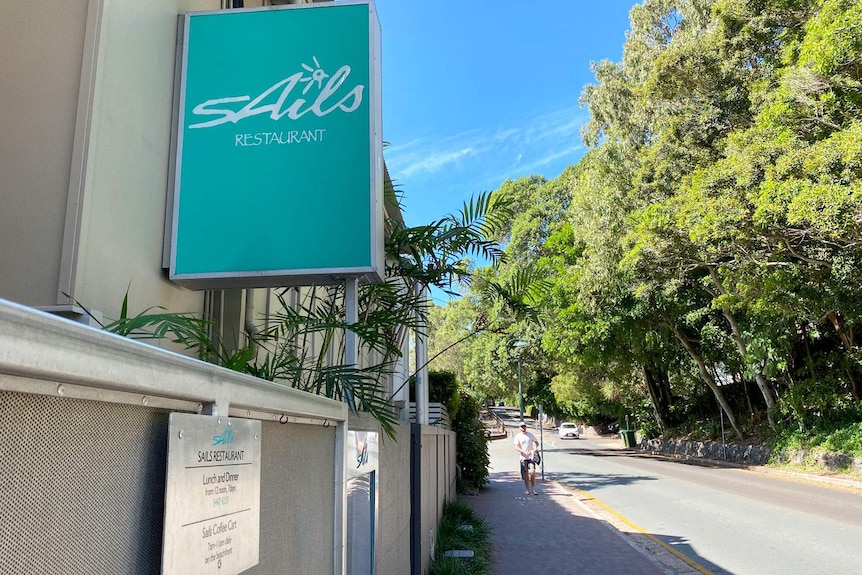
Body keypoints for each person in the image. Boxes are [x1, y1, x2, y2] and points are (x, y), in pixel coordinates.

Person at [514, 421, 540, 495]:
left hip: (531, 456)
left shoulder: (530, 435)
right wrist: (522, 451)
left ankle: (534, 489)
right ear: (519, 428)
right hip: (523, 457)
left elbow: (536, 442)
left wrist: (535, 449)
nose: (523, 428)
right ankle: (527, 489)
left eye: (524, 426)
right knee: (526, 473)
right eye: (522, 427)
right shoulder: (518, 436)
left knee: (533, 472)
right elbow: (516, 447)